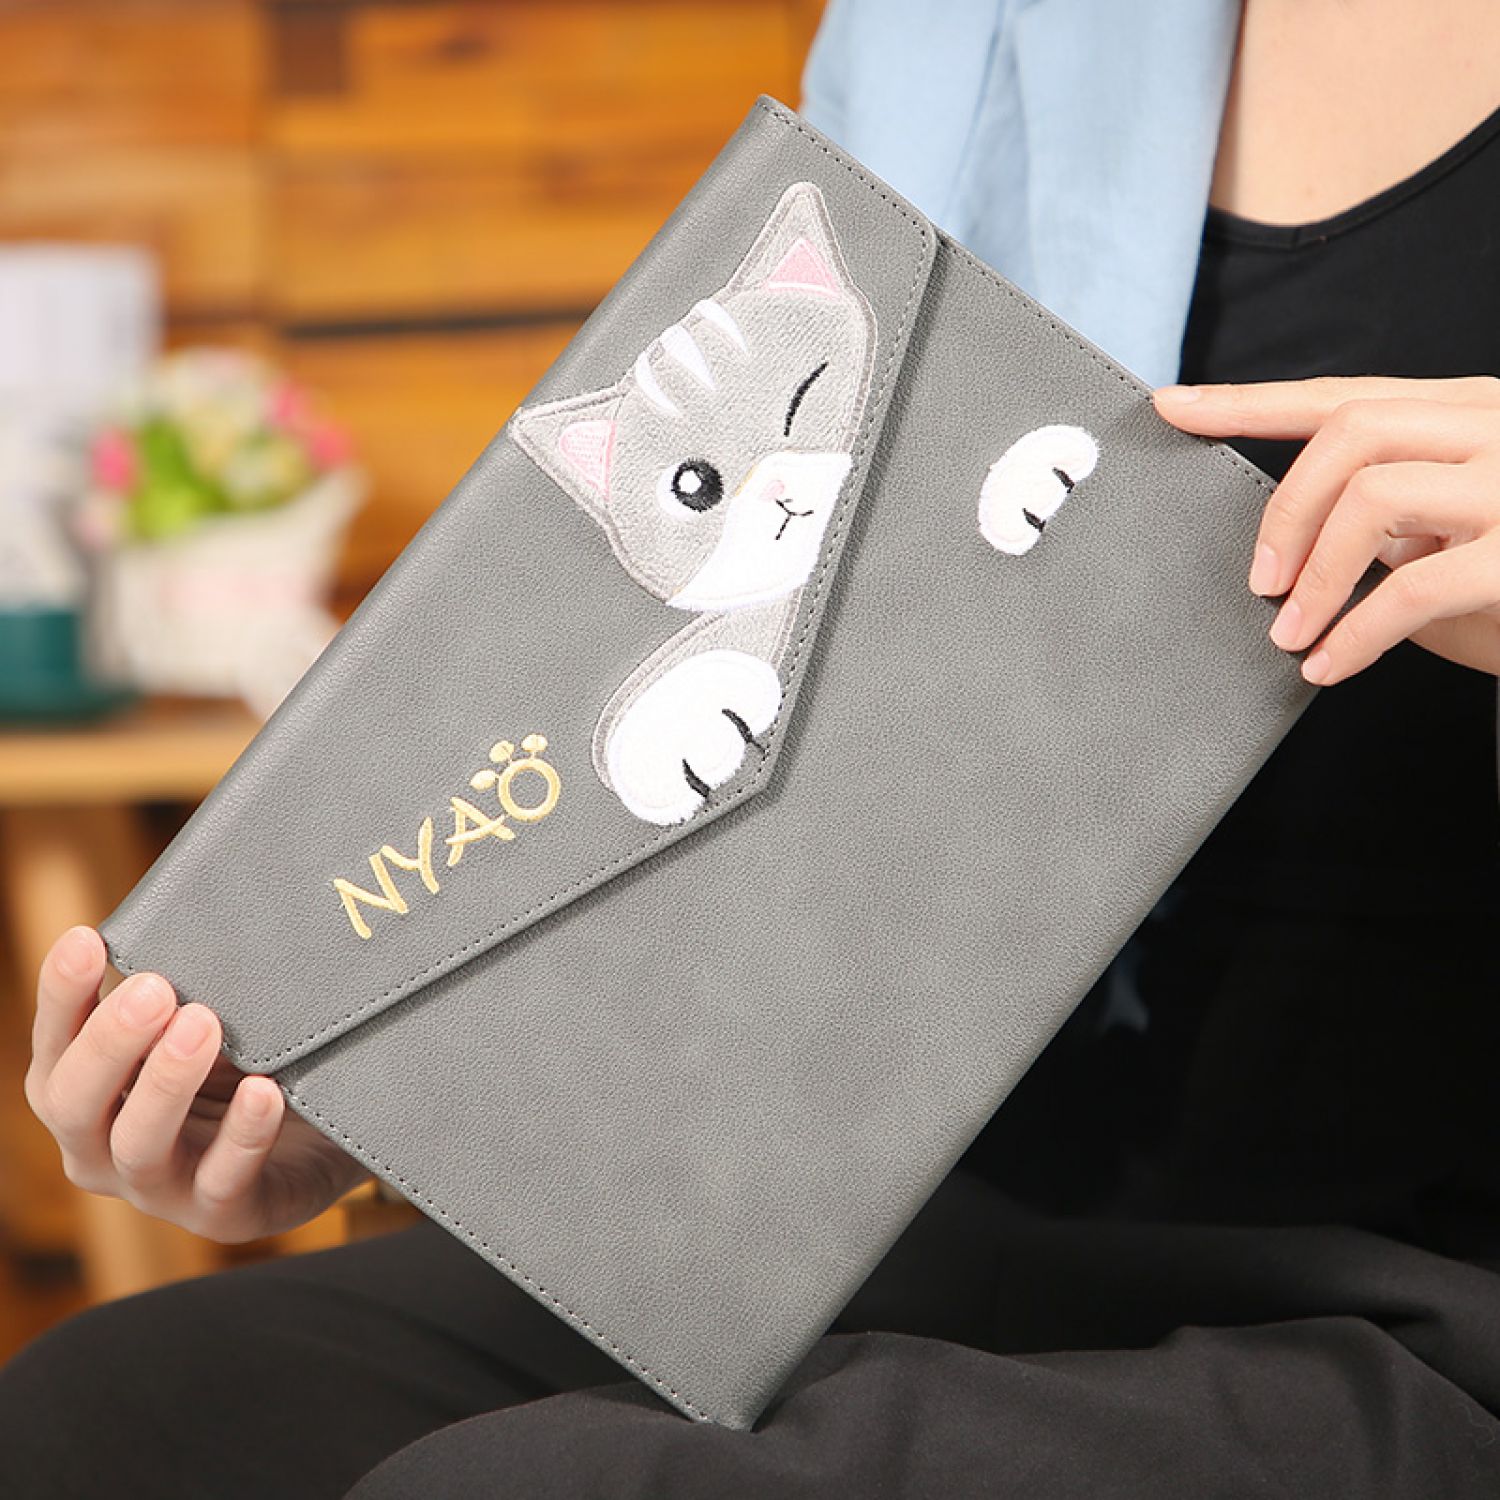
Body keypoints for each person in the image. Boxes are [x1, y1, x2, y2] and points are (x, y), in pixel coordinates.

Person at [5, 1, 1500, 1494]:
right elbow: (817, 761)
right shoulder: (956, 33)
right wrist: (385, 1085)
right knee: (107, 1419)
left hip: (1438, 1276)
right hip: (923, 1202)